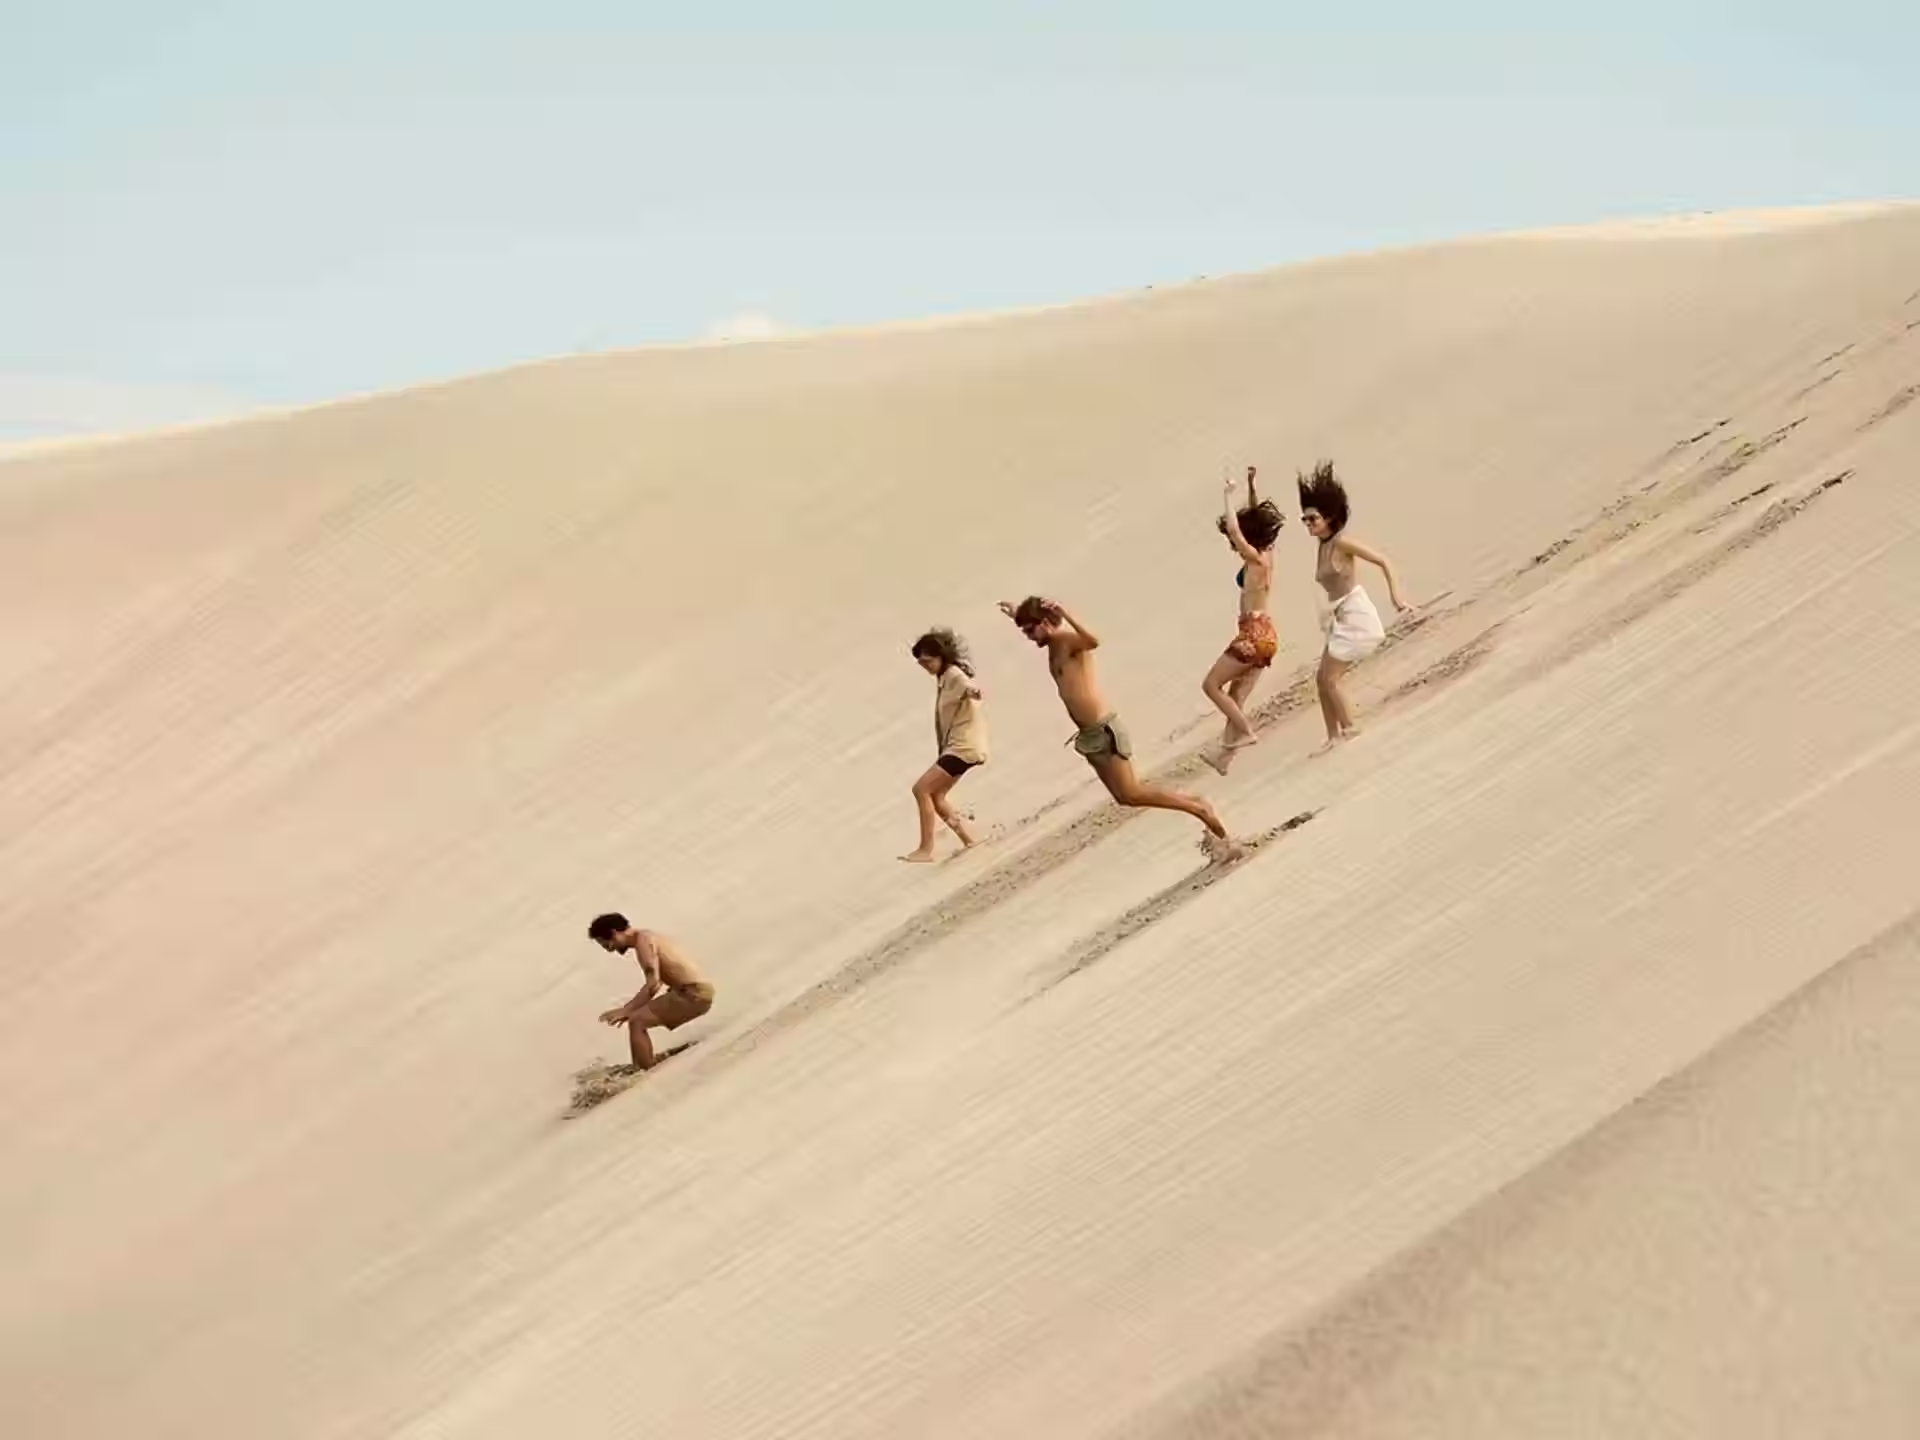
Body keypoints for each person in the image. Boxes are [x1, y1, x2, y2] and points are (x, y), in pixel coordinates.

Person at [999, 595, 1236, 853]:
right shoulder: (1052, 645)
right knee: (1125, 798)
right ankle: (1198, 809)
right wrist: (1017, 615)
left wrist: (1065, 614)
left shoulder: (1064, 640)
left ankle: (1198, 807)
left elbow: (1093, 641)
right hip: (1089, 735)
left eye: (1030, 630)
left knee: (1133, 792)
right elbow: (1042, 630)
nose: (1029, 636)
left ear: (1045, 623)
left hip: (1104, 729)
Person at [1298, 461, 1413, 751]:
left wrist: (1396, 598)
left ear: (1329, 518)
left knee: (1330, 679)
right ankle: (1332, 736)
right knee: (1321, 679)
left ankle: (1350, 730)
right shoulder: (1323, 545)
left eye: (1313, 519)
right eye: (1305, 519)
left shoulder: (1342, 543)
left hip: (1357, 616)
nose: (1308, 524)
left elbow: (1382, 561)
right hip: (1340, 616)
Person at [1203, 464, 1286, 774]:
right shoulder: (1268, 554)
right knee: (1236, 695)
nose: (1233, 547)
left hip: (1252, 636)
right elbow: (1251, 525)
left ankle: (1247, 733)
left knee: (1211, 686)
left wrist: (1228, 495)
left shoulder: (1254, 558)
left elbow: (1237, 532)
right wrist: (1252, 486)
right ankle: (1224, 759)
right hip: (1268, 635)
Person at [586, 913, 716, 1071]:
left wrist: (626, 1010)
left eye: (606, 944)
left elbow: (653, 984)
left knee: (637, 1021)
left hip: (693, 993)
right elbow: (659, 980)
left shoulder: (644, 941)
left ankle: (642, 1071)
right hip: (693, 992)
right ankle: (643, 1062)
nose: (609, 950)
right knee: (637, 1018)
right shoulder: (647, 936)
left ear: (614, 933)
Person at [901, 627, 987, 863]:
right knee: (937, 796)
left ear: (941, 656)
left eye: (928, 661)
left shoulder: (955, 676)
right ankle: (970, 839)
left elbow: (968, 687)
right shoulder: (944, 678)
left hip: (963, 748)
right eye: (921, 664)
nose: (925, 667)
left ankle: (925, 849)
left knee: (921, 790)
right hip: (959, 748)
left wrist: (974, 691)